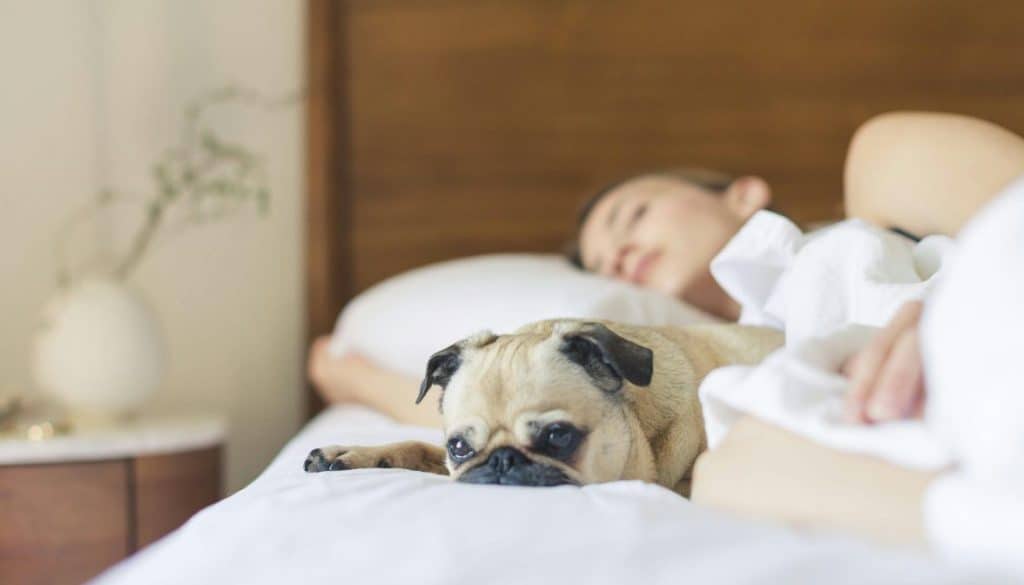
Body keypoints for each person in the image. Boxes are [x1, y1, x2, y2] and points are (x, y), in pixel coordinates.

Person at [308, 112, 1024, 559]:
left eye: (633, 215)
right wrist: (352, 379)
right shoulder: (714, 414)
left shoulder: (877, 203)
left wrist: (948, 306)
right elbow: (496, 414)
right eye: (598, 264)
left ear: (742, 193)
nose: (616, 254)